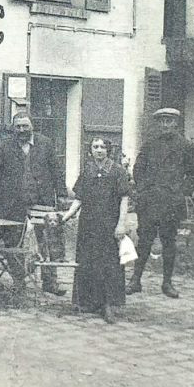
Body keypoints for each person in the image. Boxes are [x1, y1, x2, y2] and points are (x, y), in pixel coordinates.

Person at [0, 113, 68, 294]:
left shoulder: (45, 143)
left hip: (42, 201)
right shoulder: (4, 145)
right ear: (12, 128)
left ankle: (50, 282)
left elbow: (57, 170)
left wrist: (62, 194)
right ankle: (19, 282)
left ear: (32, 126)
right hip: (12, 202)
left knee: (46, 241)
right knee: (13, 243)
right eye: (18, 127)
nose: (22, 130)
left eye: (25, 126)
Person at [131, 107, 194, 298]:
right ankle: (135, 280)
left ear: (176, 123)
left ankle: (167, 283)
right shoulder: (149, 144)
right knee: (144, 240)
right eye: (161, 121)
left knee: (169, 242)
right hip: (150, 201)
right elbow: (138, 169)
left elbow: (193, 173)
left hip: (171, 202)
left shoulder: (185, 146)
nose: (165, 125)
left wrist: (181, 192)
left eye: (169, 121)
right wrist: (144, 189)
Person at [72, 137, 133, 323]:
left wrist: (121, 224)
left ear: (108, 150)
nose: (99, 150)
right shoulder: (87, 170)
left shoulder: (117, 171)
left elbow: (124, 198)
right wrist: (65, 216)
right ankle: (89, 302)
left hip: (109, 225)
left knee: (108, 264)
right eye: (95, 147)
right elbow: (79, 199)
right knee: (88, 261)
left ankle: (108, 304)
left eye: (102, 147)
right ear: (90, 150)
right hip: (88, 225)